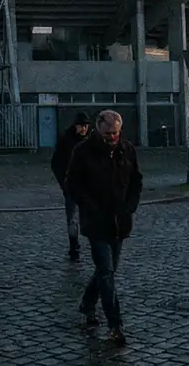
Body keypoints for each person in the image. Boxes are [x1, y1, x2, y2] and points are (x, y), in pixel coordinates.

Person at [66, 110, 141, 350]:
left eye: (116, 133)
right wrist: (91, 206)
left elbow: (136, 181)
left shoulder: (127, 149)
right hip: (96, 222)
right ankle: (115, 325)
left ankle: (87, 304)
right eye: (109, 133)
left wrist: (130, 207)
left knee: (107, 270)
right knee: (107, 272)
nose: (113, 137)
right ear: (98, 129)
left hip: (119, 222)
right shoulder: (83, 152)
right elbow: (73, 184)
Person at [51, 112, 93, 262]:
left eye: (86, 126)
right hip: (71, 187)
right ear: (76, 126)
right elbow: (56, 164)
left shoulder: (88, 141)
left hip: (87, 188)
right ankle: (74, 245)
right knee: (72, 218)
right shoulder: (66, 141)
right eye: (82, 126)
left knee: (88, 217)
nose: (84, 129)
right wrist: (64, 183)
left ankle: (90, 243)